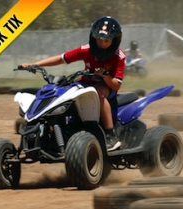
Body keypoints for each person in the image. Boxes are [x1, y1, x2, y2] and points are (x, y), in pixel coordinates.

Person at [19, 16, 125, 151]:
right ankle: (60, 130)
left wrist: (104, 75)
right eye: (99, 39)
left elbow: (116, 85)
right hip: (85, 84)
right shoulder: (86, 50)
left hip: (105, 88)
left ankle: (110, 135)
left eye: (106, 40)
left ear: (115, 40)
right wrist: (34, 65)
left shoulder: (119, 56)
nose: (102, 43)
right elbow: (60, 59)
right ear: (93, 37)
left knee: (97, 92)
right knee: (62, 92)